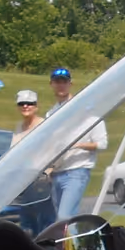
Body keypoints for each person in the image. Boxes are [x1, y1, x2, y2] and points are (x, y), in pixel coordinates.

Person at [44, 67, 107, 220]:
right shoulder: (51, 114)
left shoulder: (87, 111)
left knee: (64, 217)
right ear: (51, 84)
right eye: (57, 82)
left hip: (77, 171)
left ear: (70, 84)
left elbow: (102, 144)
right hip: (57, 173)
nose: (61, 85)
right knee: (60, 221)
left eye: (64, 82)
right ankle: (69, 244)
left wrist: (76, 145)